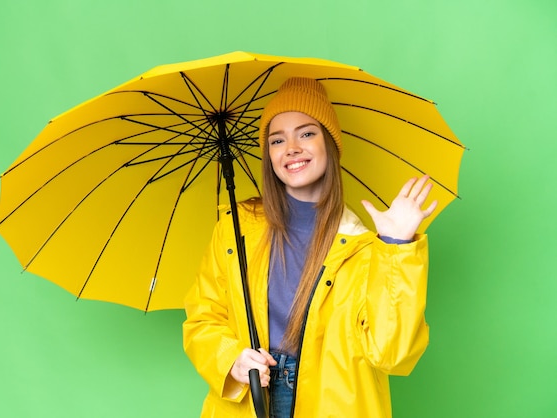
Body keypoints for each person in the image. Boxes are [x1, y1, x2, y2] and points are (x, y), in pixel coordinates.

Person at [183, 77, 436, 417]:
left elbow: (391, 354)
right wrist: (232, 359)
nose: (291, 147)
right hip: (253, 396)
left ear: (329, 143)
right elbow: (203, 317)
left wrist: (396, 246)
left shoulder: (363, 247)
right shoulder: (235, 229)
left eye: (306, 133)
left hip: (332, 404)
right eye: (276, 139)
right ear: (269, 154)